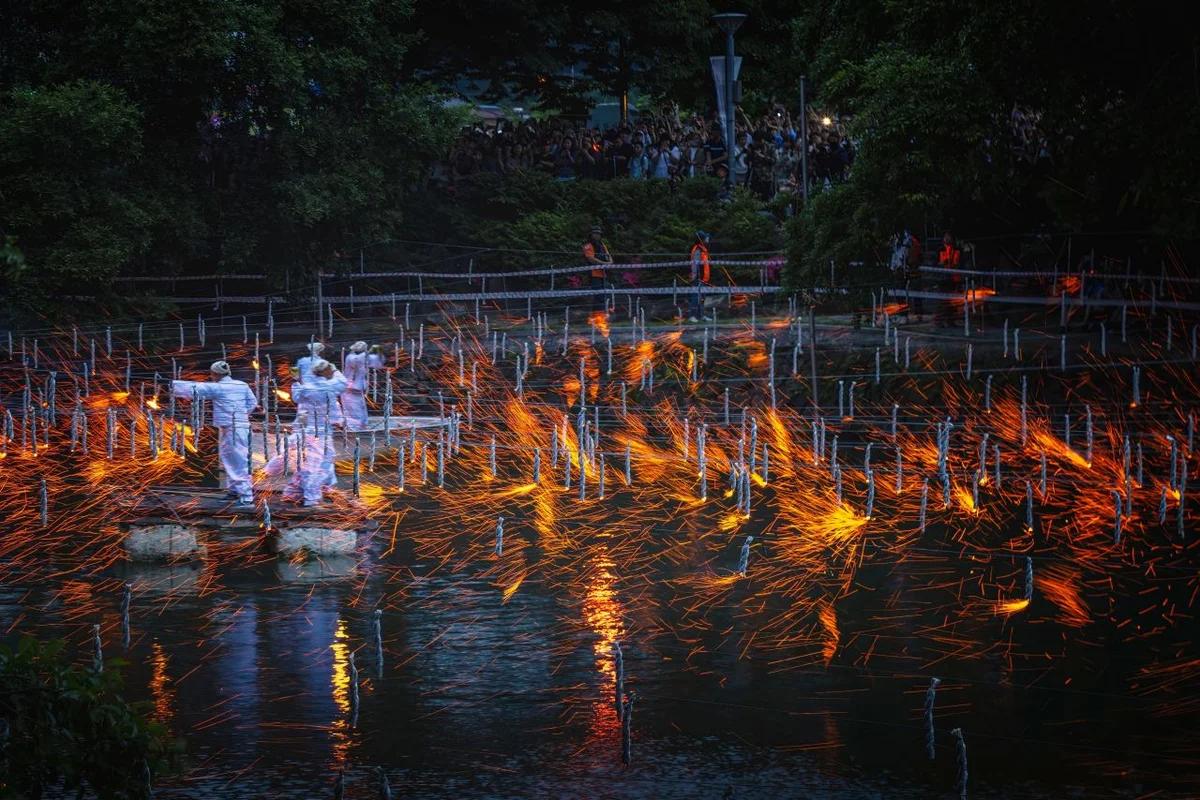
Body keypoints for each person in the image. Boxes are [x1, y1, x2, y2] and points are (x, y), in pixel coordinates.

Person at [172, 361, 259, 506]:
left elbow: (197, 388)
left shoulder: (219, 387)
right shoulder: (242, 385)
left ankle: (246, 495)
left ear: (216, 374)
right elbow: (253, 403)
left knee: (238, 461)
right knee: (230, 460)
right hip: (237, 426)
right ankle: (234, 491)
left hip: (233, 427)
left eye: (212, 374)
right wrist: (243, 415)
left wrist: (173, 385)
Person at [287, 359, 349, 506]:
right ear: (324, 372)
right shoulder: (330, 386)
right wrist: (334, 370)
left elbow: (296, 398)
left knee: (311, 463)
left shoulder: (306, 388)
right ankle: (312, 496)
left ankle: (302, 491)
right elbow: (342, 382)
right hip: (322, 431)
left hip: (308, 430)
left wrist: (295, 381)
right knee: (320, 463)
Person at [341, 341, 385, 431]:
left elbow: (378, 362)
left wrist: (378, 351)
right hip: (350, 386)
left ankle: (361, 426)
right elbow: (359, 360)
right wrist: (371, 350)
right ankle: (353, 428)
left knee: (360, 407)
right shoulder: (351, 357)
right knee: (353, 408)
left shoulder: (363, 357)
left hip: (356, 386)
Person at [582, 225, 612, 310]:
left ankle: (602, 316)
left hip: (603, 274)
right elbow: (590, 259)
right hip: (593, 274)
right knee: (598, 297)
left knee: (605, 295)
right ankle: (597, 316)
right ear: (591, 234)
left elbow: (609, 256)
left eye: (598, 234)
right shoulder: (588, 246)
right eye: (595, 233)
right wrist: (604, 263)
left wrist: (609, 263)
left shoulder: (602, 245)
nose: (597, 235)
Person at [689, 231, 711, 322]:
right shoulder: (698, 250)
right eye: (705, 237)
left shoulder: (703, 250)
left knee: (702, 298)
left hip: (703, 278)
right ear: (701, 239)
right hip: (698, 278)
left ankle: (701, 315)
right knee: (695, 297)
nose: (707, 239)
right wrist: (695, 277)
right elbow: (695, 265)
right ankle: (692, 316)